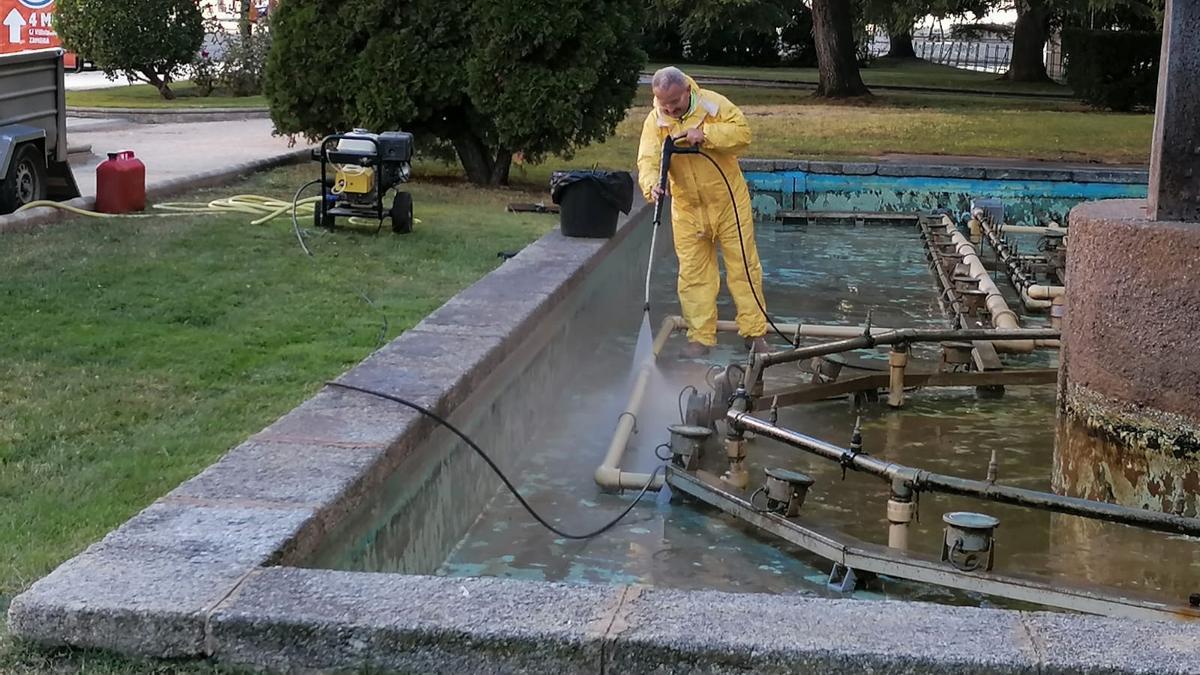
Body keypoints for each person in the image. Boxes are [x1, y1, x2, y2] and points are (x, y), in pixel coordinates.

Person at [636, 66, 770, 359]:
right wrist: (651, 187)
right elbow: (648, 159)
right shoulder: (655, 121)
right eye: (664, 104)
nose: (671, 109)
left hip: (728, 202)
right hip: (687, 208)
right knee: (694, 275)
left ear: (687, 91)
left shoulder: (714, 105)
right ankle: (700, 338)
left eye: (676, 103)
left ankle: (755, 332)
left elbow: (743, 134)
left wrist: (706, 134)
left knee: (744, 268)